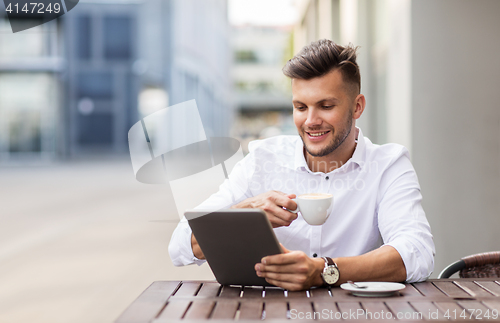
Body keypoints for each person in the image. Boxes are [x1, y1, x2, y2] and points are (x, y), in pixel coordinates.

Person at [168, 39, 435, 291]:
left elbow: (417, 252)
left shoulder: (388, 165)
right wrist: (244, 211)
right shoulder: (263, 159)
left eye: (326, 106)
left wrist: (322, 271)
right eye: (300, 107)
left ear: (357, 107)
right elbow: (179, 245)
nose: (311, 121)